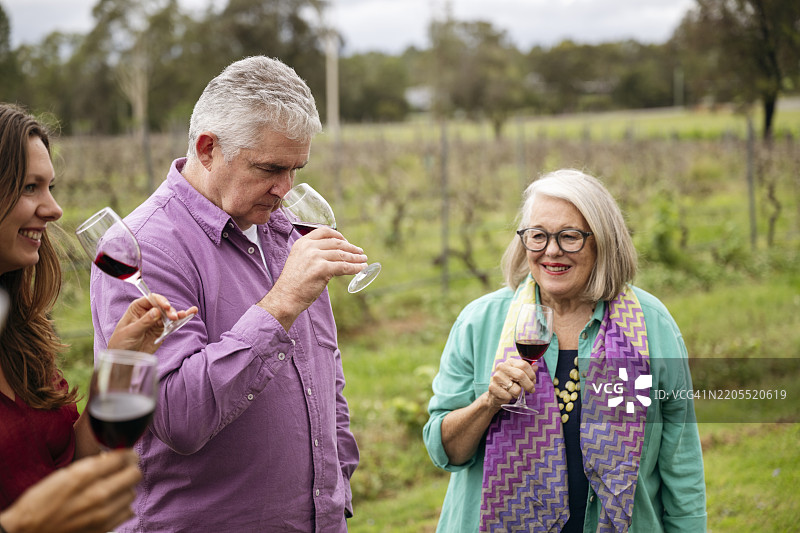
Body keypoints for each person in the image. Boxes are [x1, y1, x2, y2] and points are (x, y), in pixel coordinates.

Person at [91, 55, 363, 532]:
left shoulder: (287, 234)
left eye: (296, 167)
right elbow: (178, 419)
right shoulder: (140, 251)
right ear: (207, 147)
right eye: (269, 168)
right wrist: (279, 304)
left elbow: (325, 372)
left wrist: (337, 485)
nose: (285, 188)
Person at [423, 169, 707, 532]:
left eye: (569, 236)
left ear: (602, 241)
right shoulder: (480, 323)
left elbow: (680, 463)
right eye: (538, 236)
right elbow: (444, 451)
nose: (551, 250)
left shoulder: (652, 326)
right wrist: (487, 403)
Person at [0, 103, 195, 532]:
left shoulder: (22, 334)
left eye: (50, 187)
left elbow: (72, 458)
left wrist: (122, 366)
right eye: (30, 187)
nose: (53, 209)